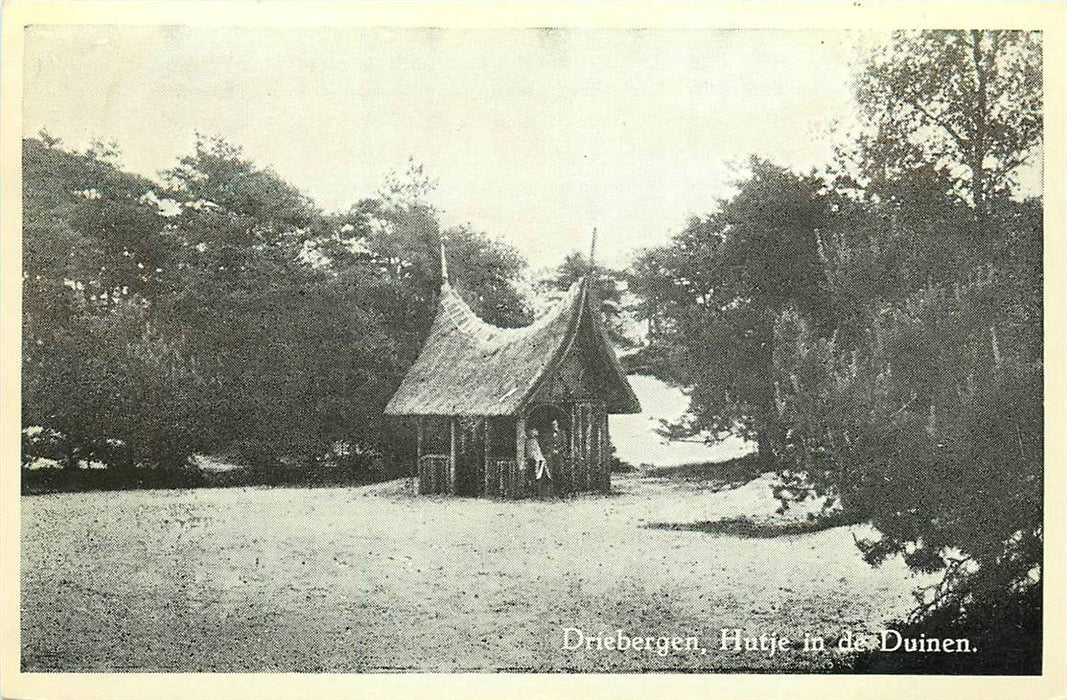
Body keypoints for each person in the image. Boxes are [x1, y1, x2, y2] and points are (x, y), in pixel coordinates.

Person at [526, 427, 551, 496]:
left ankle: (536, 490)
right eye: (534, 430)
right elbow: (533, 452)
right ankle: (535, 491)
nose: (537, 431)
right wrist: (539, 459)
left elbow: (537, 451)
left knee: (536, 475)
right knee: (536, 475)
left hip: (535, 459)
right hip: (534, 460)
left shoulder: (533, 441)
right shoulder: (532, 441)